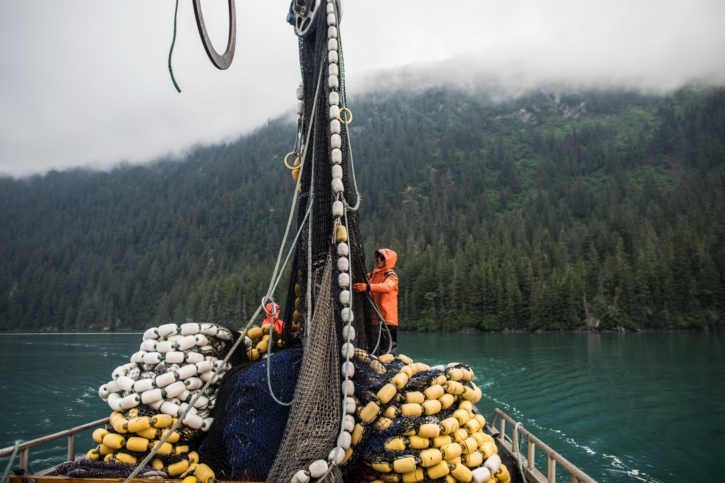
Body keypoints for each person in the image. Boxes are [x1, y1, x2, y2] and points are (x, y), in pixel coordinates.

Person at [353, 248, 399, 355]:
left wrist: (367, 287)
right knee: (375, 347)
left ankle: (388, 367)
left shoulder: (391, 276)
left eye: (382, 257)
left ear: (388, 260)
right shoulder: (373, 274)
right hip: (375, 318)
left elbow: (387, 286)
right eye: (378, 257)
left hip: (387, 319)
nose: (379, 259)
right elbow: (361, 279)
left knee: (387, 348)